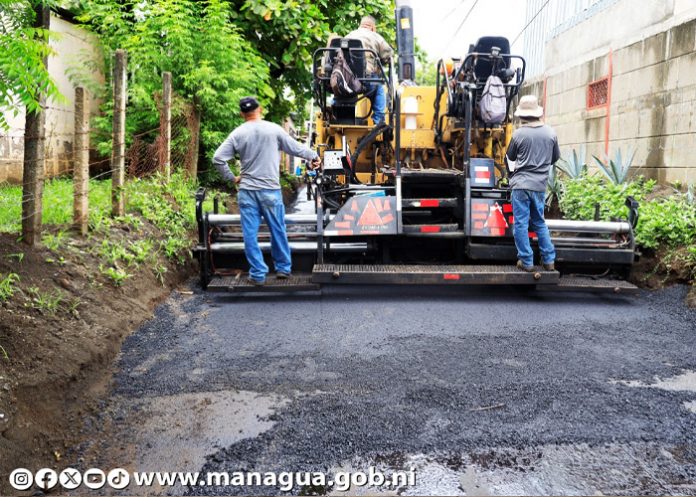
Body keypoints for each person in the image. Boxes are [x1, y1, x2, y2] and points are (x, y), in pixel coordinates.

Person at [213, 97, 321, 285]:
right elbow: (295, 148)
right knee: (278, 230)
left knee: (250, 234)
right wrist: (313, 155)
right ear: (259, 109)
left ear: (241, 114)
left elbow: (218, 159)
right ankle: (283, 269)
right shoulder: (273, 129)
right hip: (270, 191)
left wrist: (232, 178)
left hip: (247, 192)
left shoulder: (237, 134)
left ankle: (257, 274)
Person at [505, 95, 560, 272]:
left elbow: (511, 156)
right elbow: (554, 158)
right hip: (539, 186)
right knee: (539, 222)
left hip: (520, 185)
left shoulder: (518, 134)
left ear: (522, 115)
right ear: (537, 113)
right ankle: (549, 261)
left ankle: (526, 262)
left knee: (521, 223)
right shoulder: (551, 133)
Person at [347, 15, 393, 125]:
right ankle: (378, 121)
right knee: (379, 90)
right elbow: (388, 55)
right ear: (372, 27)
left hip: (347, 81)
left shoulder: (348, 35)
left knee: (341, 94)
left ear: (360, 25)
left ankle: (337, 115)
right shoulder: (375, 36)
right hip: (365, 80)